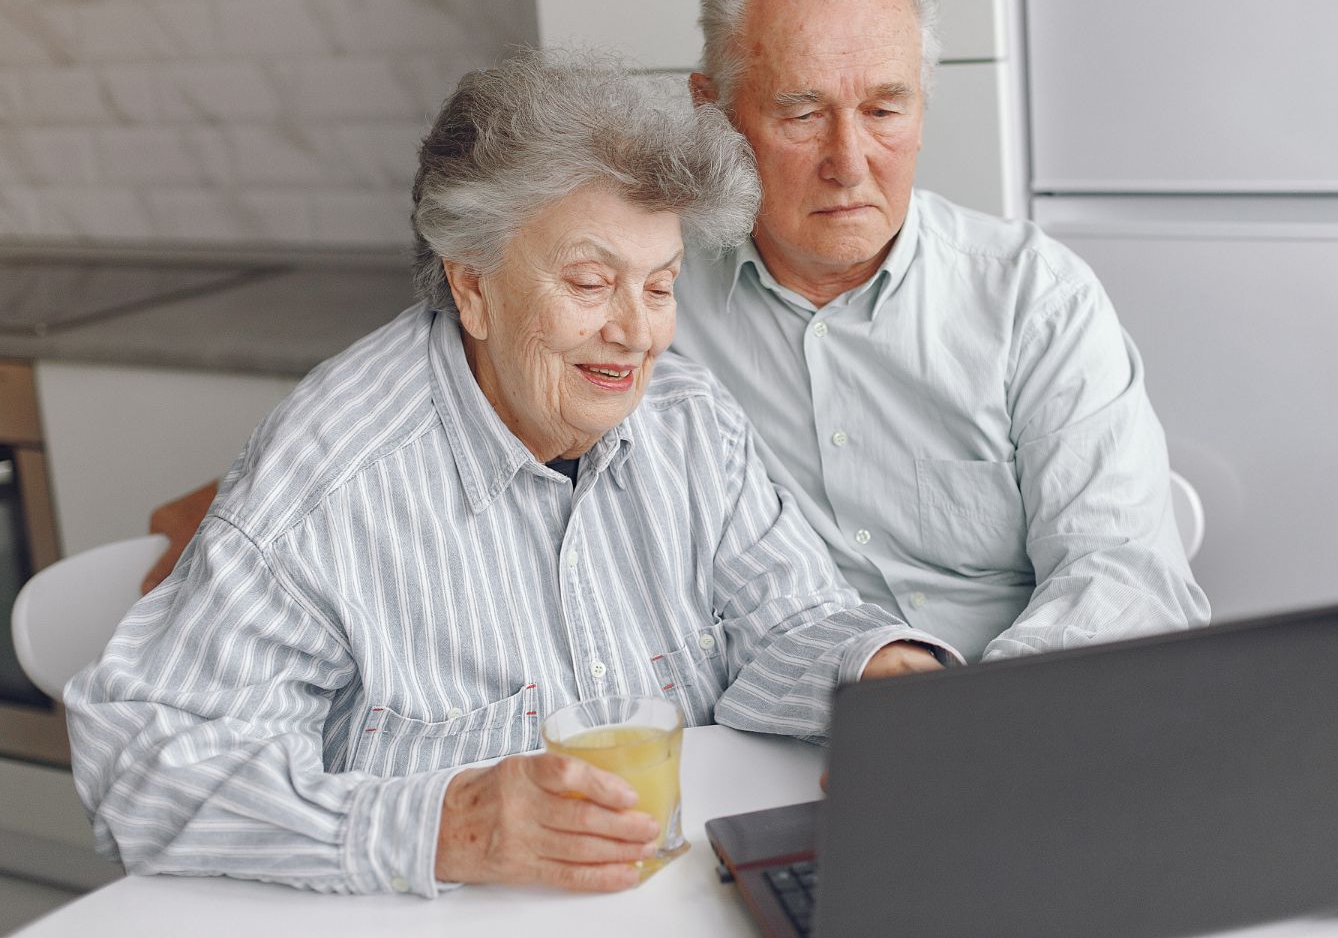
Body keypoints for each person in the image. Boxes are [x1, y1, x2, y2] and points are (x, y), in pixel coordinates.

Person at [142, 0, 1208, 661]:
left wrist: (972, 723)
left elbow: (1127, 570)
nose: (851, 161)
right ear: (713, 110)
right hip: (744, 739)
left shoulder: (1031, 297)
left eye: (886, 107)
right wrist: (249, 508)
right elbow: (433, 410)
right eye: (800, 112)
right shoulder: (635, 297)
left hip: (1010, 722)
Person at [68, 51, 955, 899]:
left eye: (659, 285)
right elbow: (145, 766)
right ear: (473, 288)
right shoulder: (333, 481)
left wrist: (881, 676)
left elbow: (786, 615)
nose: (637, 334)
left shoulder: (688, 420)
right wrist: (450, 826)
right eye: (589, 281)